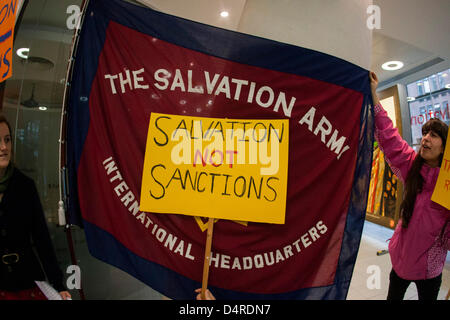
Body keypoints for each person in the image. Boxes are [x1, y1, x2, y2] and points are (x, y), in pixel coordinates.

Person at [370, 71, 449, 300]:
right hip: (402, 261)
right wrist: (374, 92)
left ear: (444, 147)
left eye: (434, 135)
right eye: (425, 133)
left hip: (430, 269)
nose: (425, 138)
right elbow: (389, 136)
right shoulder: (412, 166)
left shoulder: (447, 182)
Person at [0, 115, 71, 300]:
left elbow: (42, 239)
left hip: (26, 281)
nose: (4, 147)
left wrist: (58, 284)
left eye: (7, 140)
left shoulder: (24, 186)